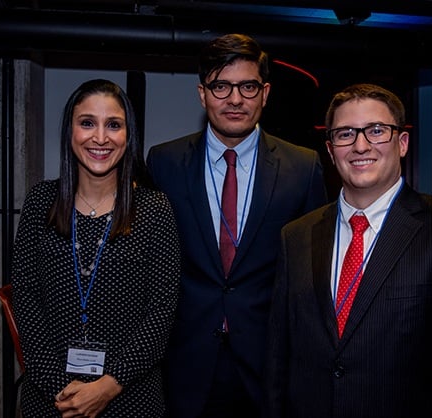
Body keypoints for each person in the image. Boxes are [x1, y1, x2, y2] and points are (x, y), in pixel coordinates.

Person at [264, 83, 432, 418]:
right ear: (330, 150)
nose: (360, 145)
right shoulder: (296, 237)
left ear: (402, 143)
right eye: (345, 134)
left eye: (376, 130)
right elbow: (278, 362)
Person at [146, 33, 328, 418]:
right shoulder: (164, 162)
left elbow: (313, 275)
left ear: (265, 93)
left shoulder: (302, 166)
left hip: (268, 361)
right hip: (186, 360)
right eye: (221, 86)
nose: (234, 99)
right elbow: (151, 265)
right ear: (202, 94)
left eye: (247, 86)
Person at [11, 79, 181, 417]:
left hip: (129, 397)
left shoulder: (154, 209)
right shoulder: (40, 201)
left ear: (128, 135)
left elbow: (162, 309)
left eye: (113, 125)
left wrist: (108, 386)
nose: (100, 138)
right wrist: (61, 389)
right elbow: (25, 298)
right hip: (51, 398)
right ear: (70, 131)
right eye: (87, 123)